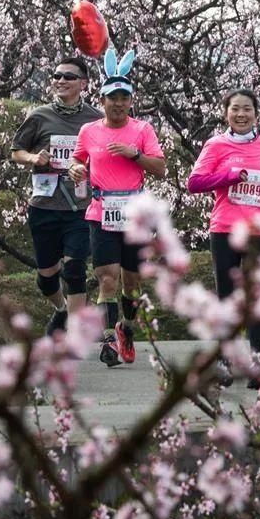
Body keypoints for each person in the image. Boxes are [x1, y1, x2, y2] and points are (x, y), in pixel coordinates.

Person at [187, 89, 260, 387]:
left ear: (256, 114)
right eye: (235, 109)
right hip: (224, 228)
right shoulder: (215, 145)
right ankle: (223, 363)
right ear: (226, 113)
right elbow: (194, 183)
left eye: (247, 109)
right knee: (227, 296)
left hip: (258, 230)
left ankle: (256, 362)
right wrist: (228, 176)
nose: (241, 115)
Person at [69, 49, 166, 367]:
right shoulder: (89, 131)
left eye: (124, 97)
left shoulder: (142, 130)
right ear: (103, 99)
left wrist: (133, 154)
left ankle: (126, 329)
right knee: (107, 278)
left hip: (134, 214)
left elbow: (160, 168)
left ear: (131, 100)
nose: (118, 102)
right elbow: (77, 159)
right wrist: (75, 169)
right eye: (113, 97)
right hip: (101, 212)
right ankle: (109, 339)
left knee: (132, 282)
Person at [11, 56, 102, 336]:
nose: (60, 80)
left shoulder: (96, 119)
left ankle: (73, 336)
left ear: (83, 84)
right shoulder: (39, 116)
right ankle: (61, 309)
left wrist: (87, 170)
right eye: (56, 75)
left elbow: (104, 158)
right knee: (47, 276)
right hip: (45, 206)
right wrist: (34, 158)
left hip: (80, 206)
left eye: (68, 76)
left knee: (75, 270)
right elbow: (16, 152)